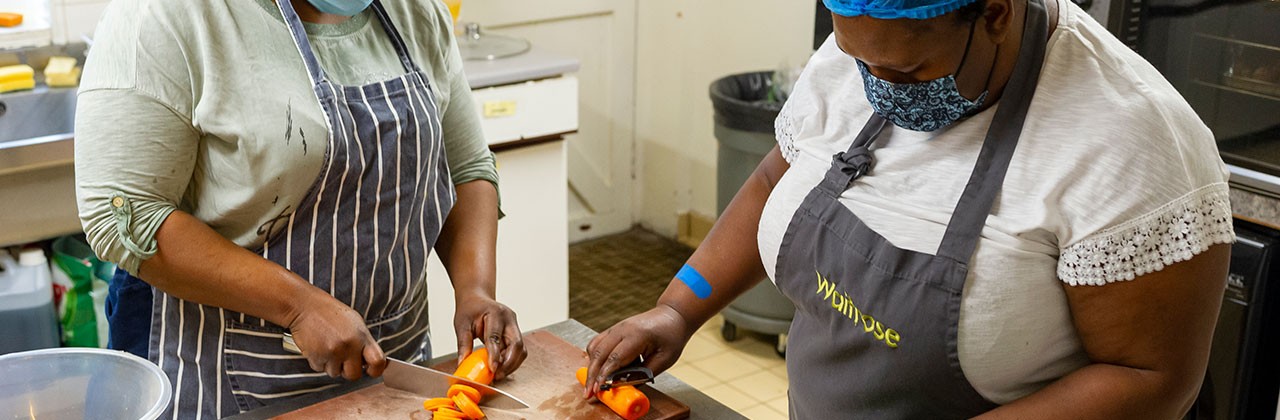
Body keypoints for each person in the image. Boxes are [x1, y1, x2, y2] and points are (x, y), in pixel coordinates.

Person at [585, 0, 1234, 417]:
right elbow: (771, 178)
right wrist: (679, 306)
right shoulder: (870, 44)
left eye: (908, 72)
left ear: (996, 13)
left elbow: (1152, 378)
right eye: (857, 61)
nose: (875, 90)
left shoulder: (1127, 137)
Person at [74, 0, 526, 417]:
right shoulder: (169, 15)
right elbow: (124, 214)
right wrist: (299, 308)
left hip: (398, 373)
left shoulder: (413, 11)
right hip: (233, 385)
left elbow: (465, 164)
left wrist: (475, 290)